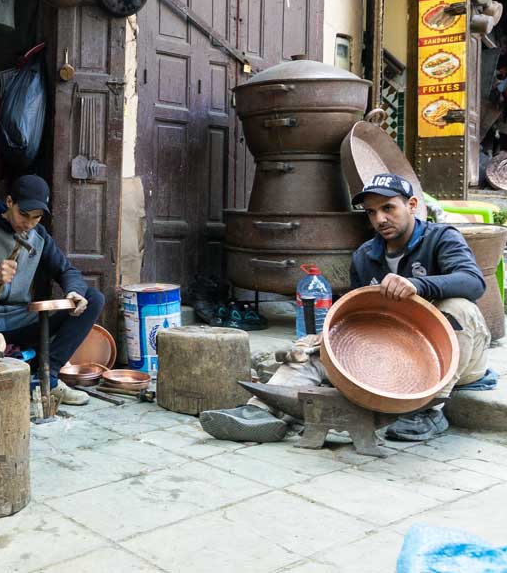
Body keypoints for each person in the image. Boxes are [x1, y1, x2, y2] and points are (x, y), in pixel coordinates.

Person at [200, 173, 491, 443]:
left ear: (412, 205)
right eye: (371, 212)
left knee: (459, 308)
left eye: (388, 208)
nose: (380, 219)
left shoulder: (442, 238)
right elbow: (355, 312)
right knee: (314, 345)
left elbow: (474, 282)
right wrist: (325, 338)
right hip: (392, 356)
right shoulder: (365, 255)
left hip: (450, 360)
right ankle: (261, 411)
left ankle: (430, 412)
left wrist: (418, 285)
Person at [0, 174, 105, 406]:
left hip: (21, 319)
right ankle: (5, 373)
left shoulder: (39, 237)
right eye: (24, 215)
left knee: (93, 298)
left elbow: (66, 270)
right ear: (9, 202)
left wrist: (73, 291)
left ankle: (46, 377)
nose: (29, 224)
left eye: (36, 218)